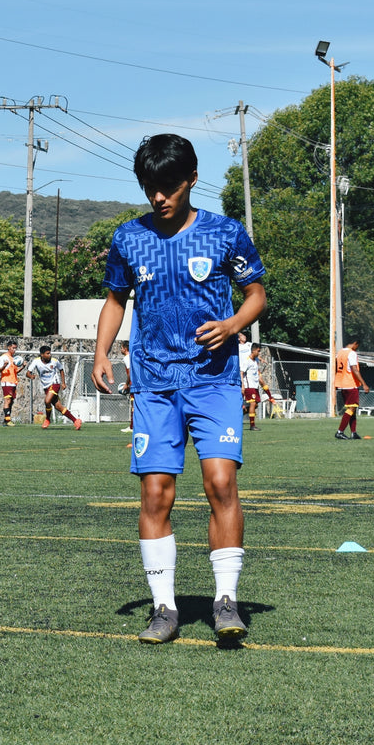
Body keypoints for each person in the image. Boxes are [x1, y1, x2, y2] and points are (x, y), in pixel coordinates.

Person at [91, 133, 266, 644]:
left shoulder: (225, 234)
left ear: (191, 180)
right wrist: (102, 351)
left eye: (168, 186)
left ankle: (226, 602)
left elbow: (256, 295)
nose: (158, 197)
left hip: (212, 381)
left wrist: (233, 325)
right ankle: (164, 609)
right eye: (150, 187)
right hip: (153, 385)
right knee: (155, 493)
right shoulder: (128, 238)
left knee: (221, 484)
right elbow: (115, 300)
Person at [24, 345, 82, 429]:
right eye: (47, 353)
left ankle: (47, 419)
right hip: (46, 387)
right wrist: (31, 376)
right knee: (58, 407)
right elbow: (27, 373)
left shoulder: (54, 361)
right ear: (42, 354)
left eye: (50, 353)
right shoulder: (36, 361)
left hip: (55, 384)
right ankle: (76, 421)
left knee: (47, 401)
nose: (49, 355)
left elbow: (61, 370)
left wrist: (63, 383)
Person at [333, 337, 368, 440]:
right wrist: (364, 384)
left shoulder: (340, 352)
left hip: (342, 383)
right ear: (355, 343)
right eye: (357, 346)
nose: (357, 348)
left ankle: (353, 432)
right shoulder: (351, 353)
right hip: (350, 383)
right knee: (351, 408)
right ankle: (340, 431)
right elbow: (354, 369)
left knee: (352, 408)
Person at [0, 342, 24, 426]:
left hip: (13, 382)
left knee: (11, 401)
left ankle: (6, 420)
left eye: (15, 348)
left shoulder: (13, 358)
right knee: (7, 400)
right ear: (8, 347)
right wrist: (4, 365)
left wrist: (23, 367)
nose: (14, 350)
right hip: (6, 381)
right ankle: (8, 421)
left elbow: (16, 371)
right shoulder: (3, 357)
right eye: (13, 348)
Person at [240, 338, 264, 431]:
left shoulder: (255, 362)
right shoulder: (247, 361)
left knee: (255, 405)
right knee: (253, 404)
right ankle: (252, 425)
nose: (259, 353)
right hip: (248, 386)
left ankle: (238, 413)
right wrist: (242, 385)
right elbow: (241, 372)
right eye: (258, 351)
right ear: (253, 350)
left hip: (255, 386)